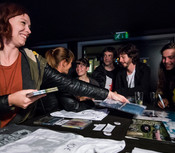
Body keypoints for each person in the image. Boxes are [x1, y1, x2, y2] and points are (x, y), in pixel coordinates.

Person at [0, 3, 128, 128]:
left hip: (16, 130)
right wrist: (9, 100)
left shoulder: (32, 60)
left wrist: (109, 95)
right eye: (23, 23)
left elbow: (68, 83)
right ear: (5, 22)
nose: (29, 30)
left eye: (29, 26)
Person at [38, 48, 98, 113]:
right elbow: (72, 106)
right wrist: (90, 103)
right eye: (71, 63)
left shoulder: (47, 75)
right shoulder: (59, 80)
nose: (71, 66)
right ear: (64, 63)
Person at [156, 42, 175, 109]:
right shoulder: (164, 73)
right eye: (164, 58)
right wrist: (165, 100)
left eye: (170, 57)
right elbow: (160, 92)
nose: (166, 61)